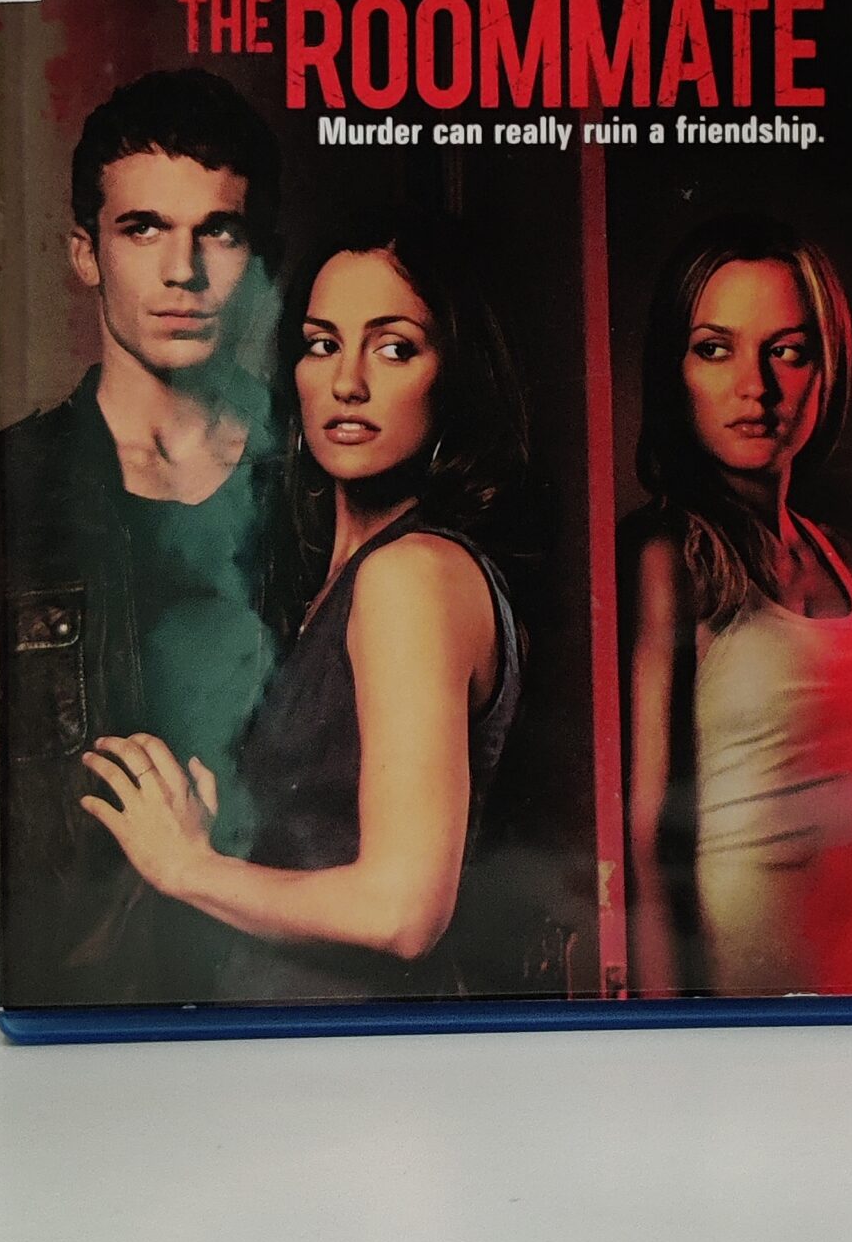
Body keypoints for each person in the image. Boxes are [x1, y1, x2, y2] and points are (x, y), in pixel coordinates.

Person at [77, 211, 527, 1003]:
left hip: (362, 1052)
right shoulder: (349, 576)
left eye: (394, 348)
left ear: (455, 374)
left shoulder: (411, 577)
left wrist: (188, 866)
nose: (347, 382)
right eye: (322, 345)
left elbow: (401, 912)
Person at [0, 68, 281, 1006]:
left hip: (290, 971)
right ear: (86, 253)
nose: (183, 273)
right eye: (144, 229)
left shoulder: (319, 474)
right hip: (86, 987)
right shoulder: (10, 491)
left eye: (219, 232)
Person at [623, 215, 852, 998]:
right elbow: (647, 846)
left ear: (827, 369)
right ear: (675, 370)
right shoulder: (668, 558)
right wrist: (666, 1040)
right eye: (715, 349)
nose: (755, 387)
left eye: (787, 352)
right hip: (744, 1004)